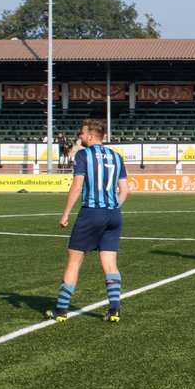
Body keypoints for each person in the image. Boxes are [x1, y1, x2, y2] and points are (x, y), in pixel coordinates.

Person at [49, 118, 129, 323]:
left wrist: (66, 213)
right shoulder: (116, 156)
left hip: (91, 213)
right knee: (110, 263)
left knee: (74, 260)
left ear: (91, 136)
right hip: (113, 214)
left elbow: (77, 187)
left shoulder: (83, 155)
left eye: (82, 133)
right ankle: (114, 310)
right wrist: (113, 208)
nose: (80, 136)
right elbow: (126, 190)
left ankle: (61, 310)